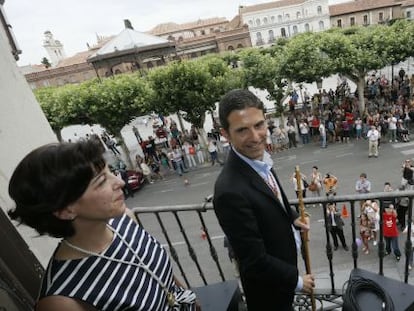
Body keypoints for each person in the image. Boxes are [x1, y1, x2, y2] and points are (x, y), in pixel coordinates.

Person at [7, 140, 199, 311]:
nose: (120, 182)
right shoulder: (62, 300)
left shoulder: (126, 220)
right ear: (65, 210)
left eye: (111, 172)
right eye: (101, 182)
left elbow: (159, 277)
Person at [213, 89, 315, 311]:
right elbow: (253, 260)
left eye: (259, 125)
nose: (256, 137)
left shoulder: (258, 160)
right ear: (226, 134)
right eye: (242, 130)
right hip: (269, 291)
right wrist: (297, 281)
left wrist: (293, 216)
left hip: (282, 272)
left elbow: (273, 195)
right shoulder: (229, 191)